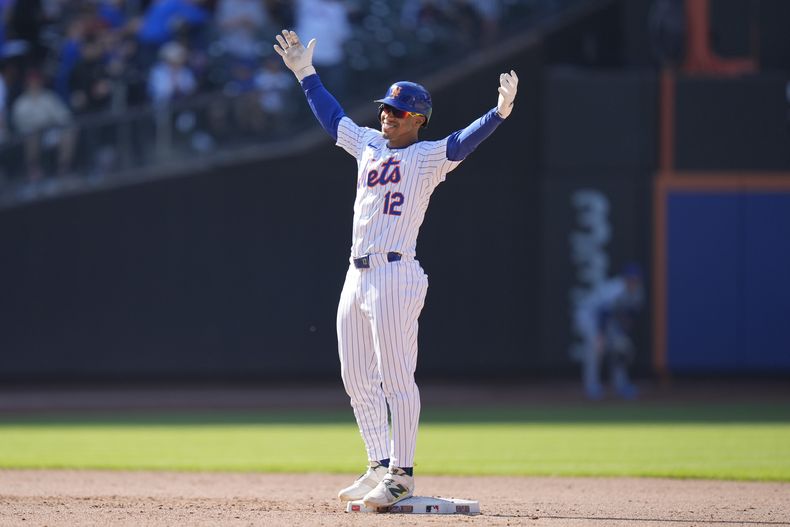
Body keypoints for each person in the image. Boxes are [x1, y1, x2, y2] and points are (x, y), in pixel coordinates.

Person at [273, 29, 518, 508]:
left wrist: (499, 113)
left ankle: (402, 473)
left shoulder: (427, 158)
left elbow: (462, 142)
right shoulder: (367, 144)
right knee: (356, 376)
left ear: (417, 120)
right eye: (385, 106)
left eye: (397, 110)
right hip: (357, 272)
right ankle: (379, 463)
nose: (386, 114)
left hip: (395, 273)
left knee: (396, 378)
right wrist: (305, 74)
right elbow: (332, 118)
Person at [574, 263, 644, 400]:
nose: (633, 282)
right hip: (589, 315)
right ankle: (591, 386)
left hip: (610, 319)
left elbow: (630, 315)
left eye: (635, 279)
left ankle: (621, 385)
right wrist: (600, 337)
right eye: (630, 279)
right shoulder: (615, 290)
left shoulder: (638, 292)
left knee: (619, 347)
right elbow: (603, 313)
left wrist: (622, 335)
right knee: (595, 348)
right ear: (624, 279)